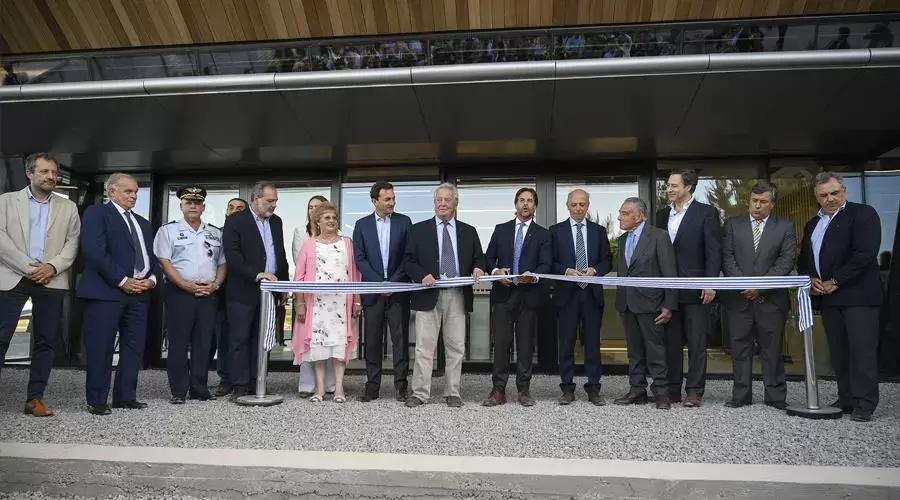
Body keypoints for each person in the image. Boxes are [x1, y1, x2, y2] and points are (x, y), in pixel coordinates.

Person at [0, 153, 81, 417]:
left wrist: (52, 267)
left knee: (46, 342)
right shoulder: (6, 202)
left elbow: (73, 242)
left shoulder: (67, 207)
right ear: (29, 174)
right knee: (1, 337)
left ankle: (35, 399)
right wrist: (28, 267)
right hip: (13, 276)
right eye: (45, 172)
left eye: (54, 173)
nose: (50, 177)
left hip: (52, 279)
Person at [798, 172, 883, 422]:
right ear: (817, 198)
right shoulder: (813, 223)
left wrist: (836, 281)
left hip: (858, 297)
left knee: (862, 352)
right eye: (824, 195)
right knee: (839, 352)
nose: (830, 198)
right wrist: (810, 277)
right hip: (828, 298)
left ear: (844, 191)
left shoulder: (863, 214)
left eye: (835, 193)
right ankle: (846, 398)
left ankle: (865, 403)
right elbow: (805, 258)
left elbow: (865, 254)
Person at [77, 173, 158, 415]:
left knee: (133, 348)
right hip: (106, 292)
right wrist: (122, 280)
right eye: (128, 191)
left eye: (135, 192)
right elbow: (94, 252)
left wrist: (152, 280)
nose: (133, 196)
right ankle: (97, 400)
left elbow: (151, 258)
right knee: (100, 347)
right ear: (111, 192)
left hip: (139, 294)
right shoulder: (97, 214)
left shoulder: (143, 223)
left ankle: (125, 396)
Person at [405, 183, 485, 408]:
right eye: (439, 199)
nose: (442, 203)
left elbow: (480, 258)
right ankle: (420, 393)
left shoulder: (468, 231)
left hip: (457, 295)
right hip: (428, 295)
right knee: (424, 348)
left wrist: (479, 268)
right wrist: (422, 275)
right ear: (434, 203)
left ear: (455, 203)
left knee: (456, 347)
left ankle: (453, 392)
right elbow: (408, 261)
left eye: (447, 200)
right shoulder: (419, 230)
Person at [721, 182, 796, 410]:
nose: (757, 205)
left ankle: (775, 396)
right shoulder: (733, 225)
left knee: (772, 350)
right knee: (739, 349)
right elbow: (727, 258)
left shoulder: (785, 227)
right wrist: (744, 285)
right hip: (738, 299)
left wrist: (760, 287)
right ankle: (741, 395)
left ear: (772, 204)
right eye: (754, 200)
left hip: (771, 300)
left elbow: (786, 261)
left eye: (763, 202)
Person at [154, 186, 227, 404]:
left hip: (208, 293)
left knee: (204, 343)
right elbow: (165, 262)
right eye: (188, 203)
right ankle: (178, 390)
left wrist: (215, 285)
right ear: (182, 206)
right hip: (180, 293)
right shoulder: (168, 231)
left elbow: (222, 263)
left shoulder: (215, 233)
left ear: (203, 207)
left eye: (197, 203)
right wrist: (185, 285)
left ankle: (199, 388)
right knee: (178, 342)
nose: (193, 206)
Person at [655, 168, 721, 407]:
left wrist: (711, 283)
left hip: (696, 291)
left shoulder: (706, 213)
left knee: (696, 343)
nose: (669, 189)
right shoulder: (661, 215)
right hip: (668, 291)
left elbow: (713, 252)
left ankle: (694, 390)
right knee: (671, 344)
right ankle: (673, 389)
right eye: (668, 185)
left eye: (673, 186)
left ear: (688, 187)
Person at [482, 187, 551, 407]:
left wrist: (534, 277)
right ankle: (498, 391)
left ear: (535, 206)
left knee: (525, 345)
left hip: (528, 296)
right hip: (503, 295)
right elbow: (488, 259)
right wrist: (495, 273)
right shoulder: (501, 229)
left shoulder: (543, 234)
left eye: (530, 200)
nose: (525, 204)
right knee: (501, 344)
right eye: (521, 200)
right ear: (516, 204)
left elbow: (545, 264)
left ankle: (524, 390)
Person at [222, 181, 289, 401]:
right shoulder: (236, 221)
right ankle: (240, 385)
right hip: (243, 290)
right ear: (256, 199)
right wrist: (257, 274)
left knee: (263, 339)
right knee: (240, 338)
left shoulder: (277, 222)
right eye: (270, 200)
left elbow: (279, 253)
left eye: (276, 201)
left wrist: (284, 285)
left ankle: (257, 381)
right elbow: (233, 255)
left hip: (270, 292)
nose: (274, 205)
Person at [292, 202, 361, 403]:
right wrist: (300, 303)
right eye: (326, 218)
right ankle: (320, 389)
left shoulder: (347, 243)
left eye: (334, 218)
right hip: (317, 305)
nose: (331, 221)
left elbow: (355, 274)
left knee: (339, 347)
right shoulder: (309, 244)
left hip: (341, 303)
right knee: (319, 347)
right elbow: (300, 276)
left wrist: (357, 301)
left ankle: (339, 388)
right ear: (318, 222)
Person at [549, 189, 612, 405]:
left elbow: (608, 260)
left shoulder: (599, 231)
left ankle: (593, 388)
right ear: (567, 206)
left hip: (592, 295)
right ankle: (567, 388)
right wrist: (566, 271)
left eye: (582, 204)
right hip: (566, 295)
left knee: (592, 344)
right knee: (566, 343)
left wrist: (595, 270)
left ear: (588, 206)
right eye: (574, 204)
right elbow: (550, 262)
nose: (578, 208)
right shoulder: (555, 231)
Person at [613, 197, 677, 409]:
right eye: (620, 213)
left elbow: (669, 273)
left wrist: (669, 305)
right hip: (627, 305)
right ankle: (637, 390)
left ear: (639, 216)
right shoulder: (622, 240)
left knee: (656, 350)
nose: (619, 217)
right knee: (634, 351)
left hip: (652, 305)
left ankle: (661, 393)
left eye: (624, 213)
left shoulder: (659, 237)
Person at [353, 181, 413, 402]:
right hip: (373, 292)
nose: (391, 202)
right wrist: (380, 283)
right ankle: (372, 386)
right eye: (387, 199)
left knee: (400, 340)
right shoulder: (362, 225)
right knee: (372, 341)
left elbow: (409, 256)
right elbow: (360, 258)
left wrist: (392, 282)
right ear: (374, 201)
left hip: (398, 292)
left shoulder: (404, 222)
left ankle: (401, 387)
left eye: (393, 198)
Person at [291, 195, 335, 397]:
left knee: (329, 339)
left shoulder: (335, 233)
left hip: (331, 296)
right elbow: (299, 262)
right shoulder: (301, 233)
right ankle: (308, 385)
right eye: (311, 207)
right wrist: (299, 300)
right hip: (309, 293)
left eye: (318, 207)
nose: (313, 210)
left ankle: (330, 384)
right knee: (308, 340)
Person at [212, 197, 247, 397]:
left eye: (239, 208)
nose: (234, 211)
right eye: (231, 207)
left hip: (242, 291)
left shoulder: (249, 234)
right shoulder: (216, 234)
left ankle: (244, 379)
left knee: (240, 338)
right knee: (223, 336)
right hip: (220, 292)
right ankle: (225, 378)